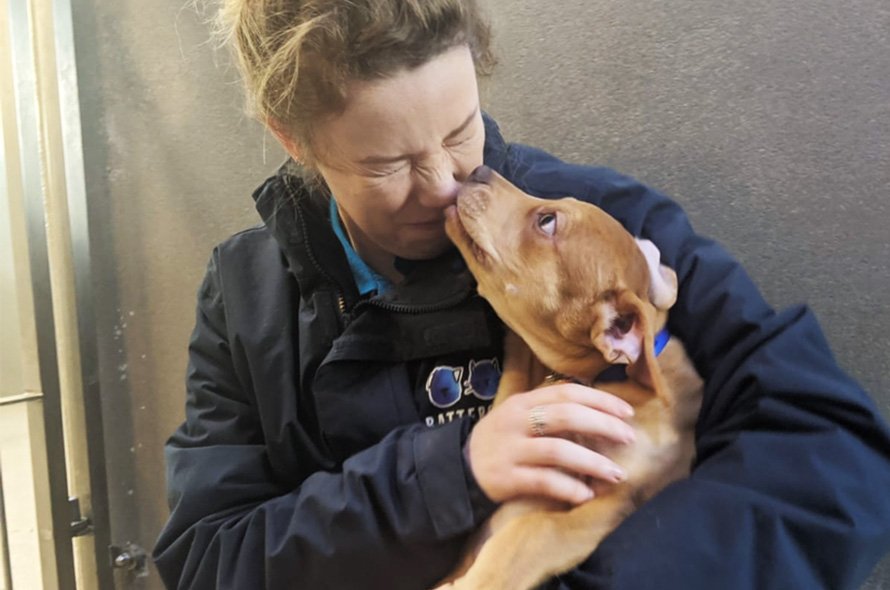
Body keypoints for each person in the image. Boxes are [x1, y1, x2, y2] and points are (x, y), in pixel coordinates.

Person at [152, 1, 890, 588]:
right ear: (294, 140)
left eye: (460, 129)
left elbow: (836, 458)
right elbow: (209, 558)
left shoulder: (606, 234)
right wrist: (453, 471)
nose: (444, 186)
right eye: (387, 163)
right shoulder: (245, 295)